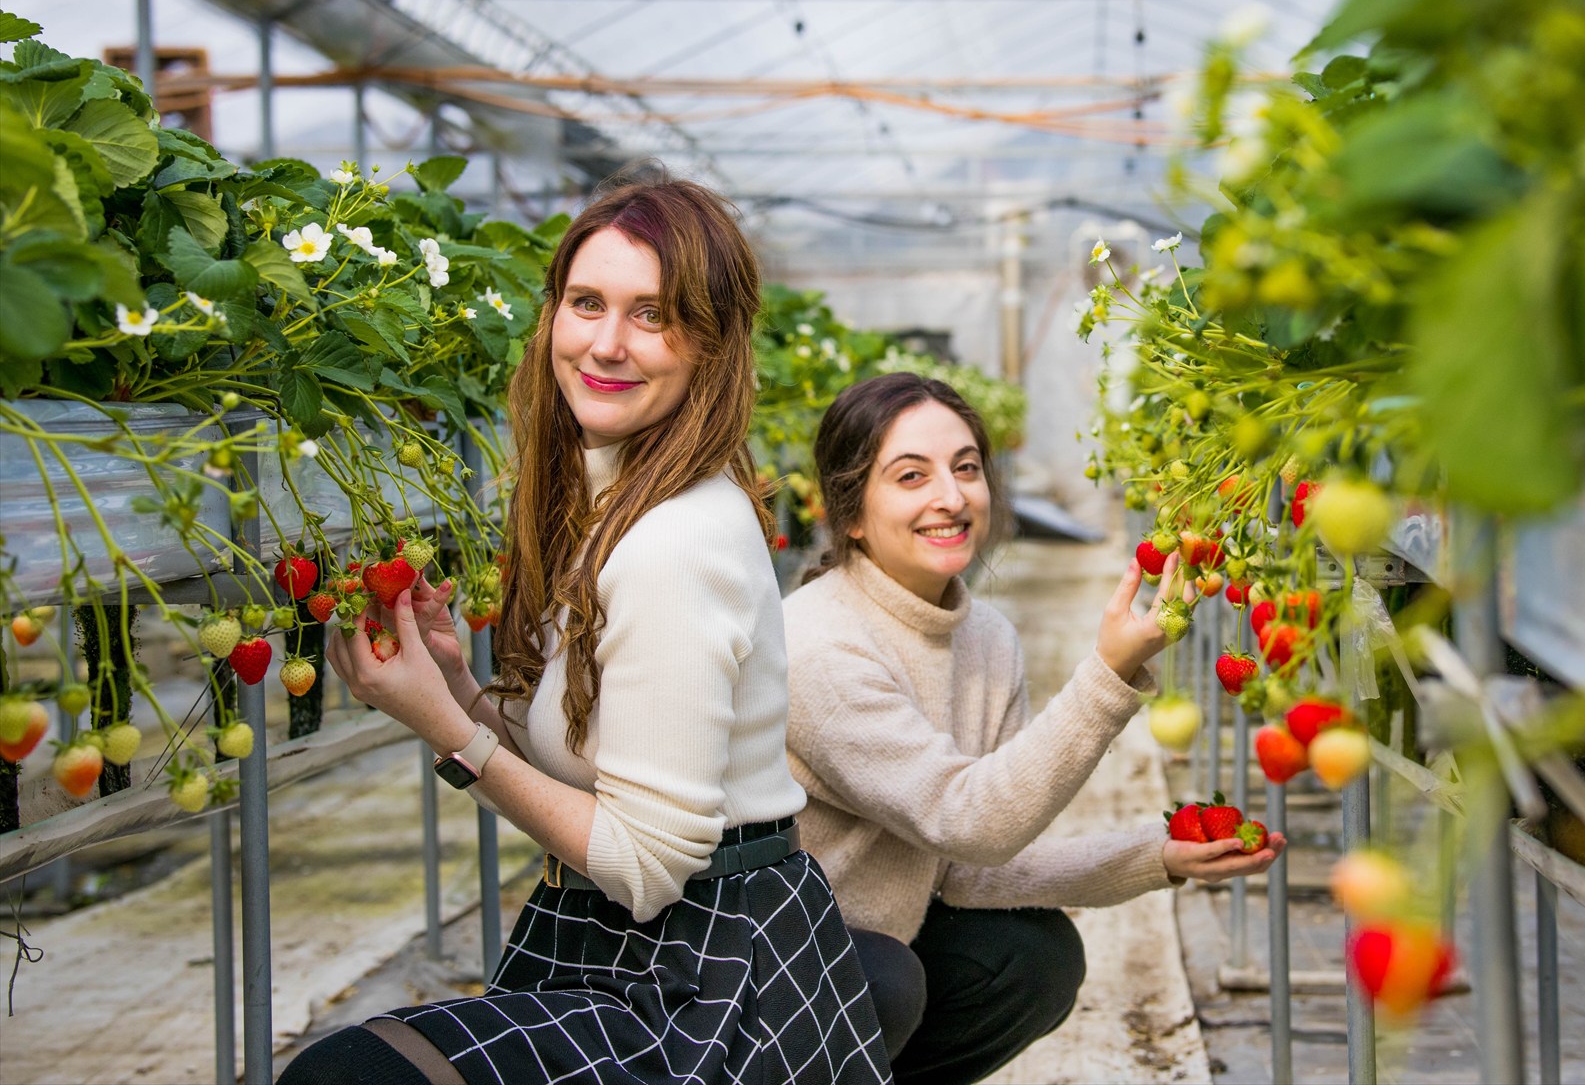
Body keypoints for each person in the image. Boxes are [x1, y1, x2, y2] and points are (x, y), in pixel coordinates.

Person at [280, 175, 890, 1085]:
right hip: (644, 938)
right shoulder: (613, 505)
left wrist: (444, 730)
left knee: (353, 1076)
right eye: (587, 303)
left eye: (653, 315)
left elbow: (645, 866)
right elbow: (593, 760)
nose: (606, 343)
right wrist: (456, 688)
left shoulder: (673, 541)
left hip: (701, 976)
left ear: (712, 344)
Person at [781, 372, 1285, 1085]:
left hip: (867, 949)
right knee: (884, 981)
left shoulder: (986, 638)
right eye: (911, 476)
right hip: (756, 966)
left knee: (1034, 958)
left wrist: (1158, 856)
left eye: (965, 468)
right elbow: (970, 820)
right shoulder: (817, 645)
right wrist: (1108, 674)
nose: (951, 497)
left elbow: (972, 869)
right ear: (850, 513)